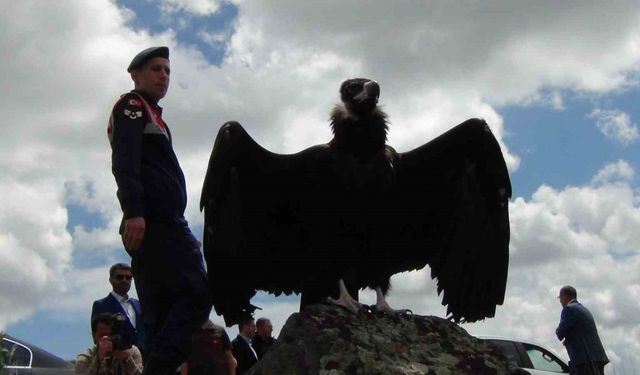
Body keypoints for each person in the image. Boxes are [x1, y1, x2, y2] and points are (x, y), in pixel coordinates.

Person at [108, 46, 211, 374]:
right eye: (155, 69)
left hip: (162, 221)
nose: (163, 75)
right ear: (135, 75)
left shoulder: (154, 115)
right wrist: (135, 211)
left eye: (167, 70)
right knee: (198, 292)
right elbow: (125, 160)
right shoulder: (133, 106)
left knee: (160, 311)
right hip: (153, 221)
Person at [91, 263, 144, 354]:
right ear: (111, 280)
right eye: (120, 277)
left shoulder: (139, 304)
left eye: (128, 278)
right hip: (116, 359)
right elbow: (97, 336)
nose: (124, 280)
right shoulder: (101, 305)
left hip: (144, 358)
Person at [555, 285, 609, 375]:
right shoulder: (583, 309)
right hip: (597, 357)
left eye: (559, 297)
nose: (560, 301)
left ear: (564, 296)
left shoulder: (569, 309)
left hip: (583, 359)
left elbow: (560, 333)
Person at [75, 313, 144, 375]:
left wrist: (127, 360)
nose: (109, 339)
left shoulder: (131, 352)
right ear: (94, 336)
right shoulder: (85, 359)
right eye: (103, 335)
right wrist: (98, 360)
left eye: (112, 335)